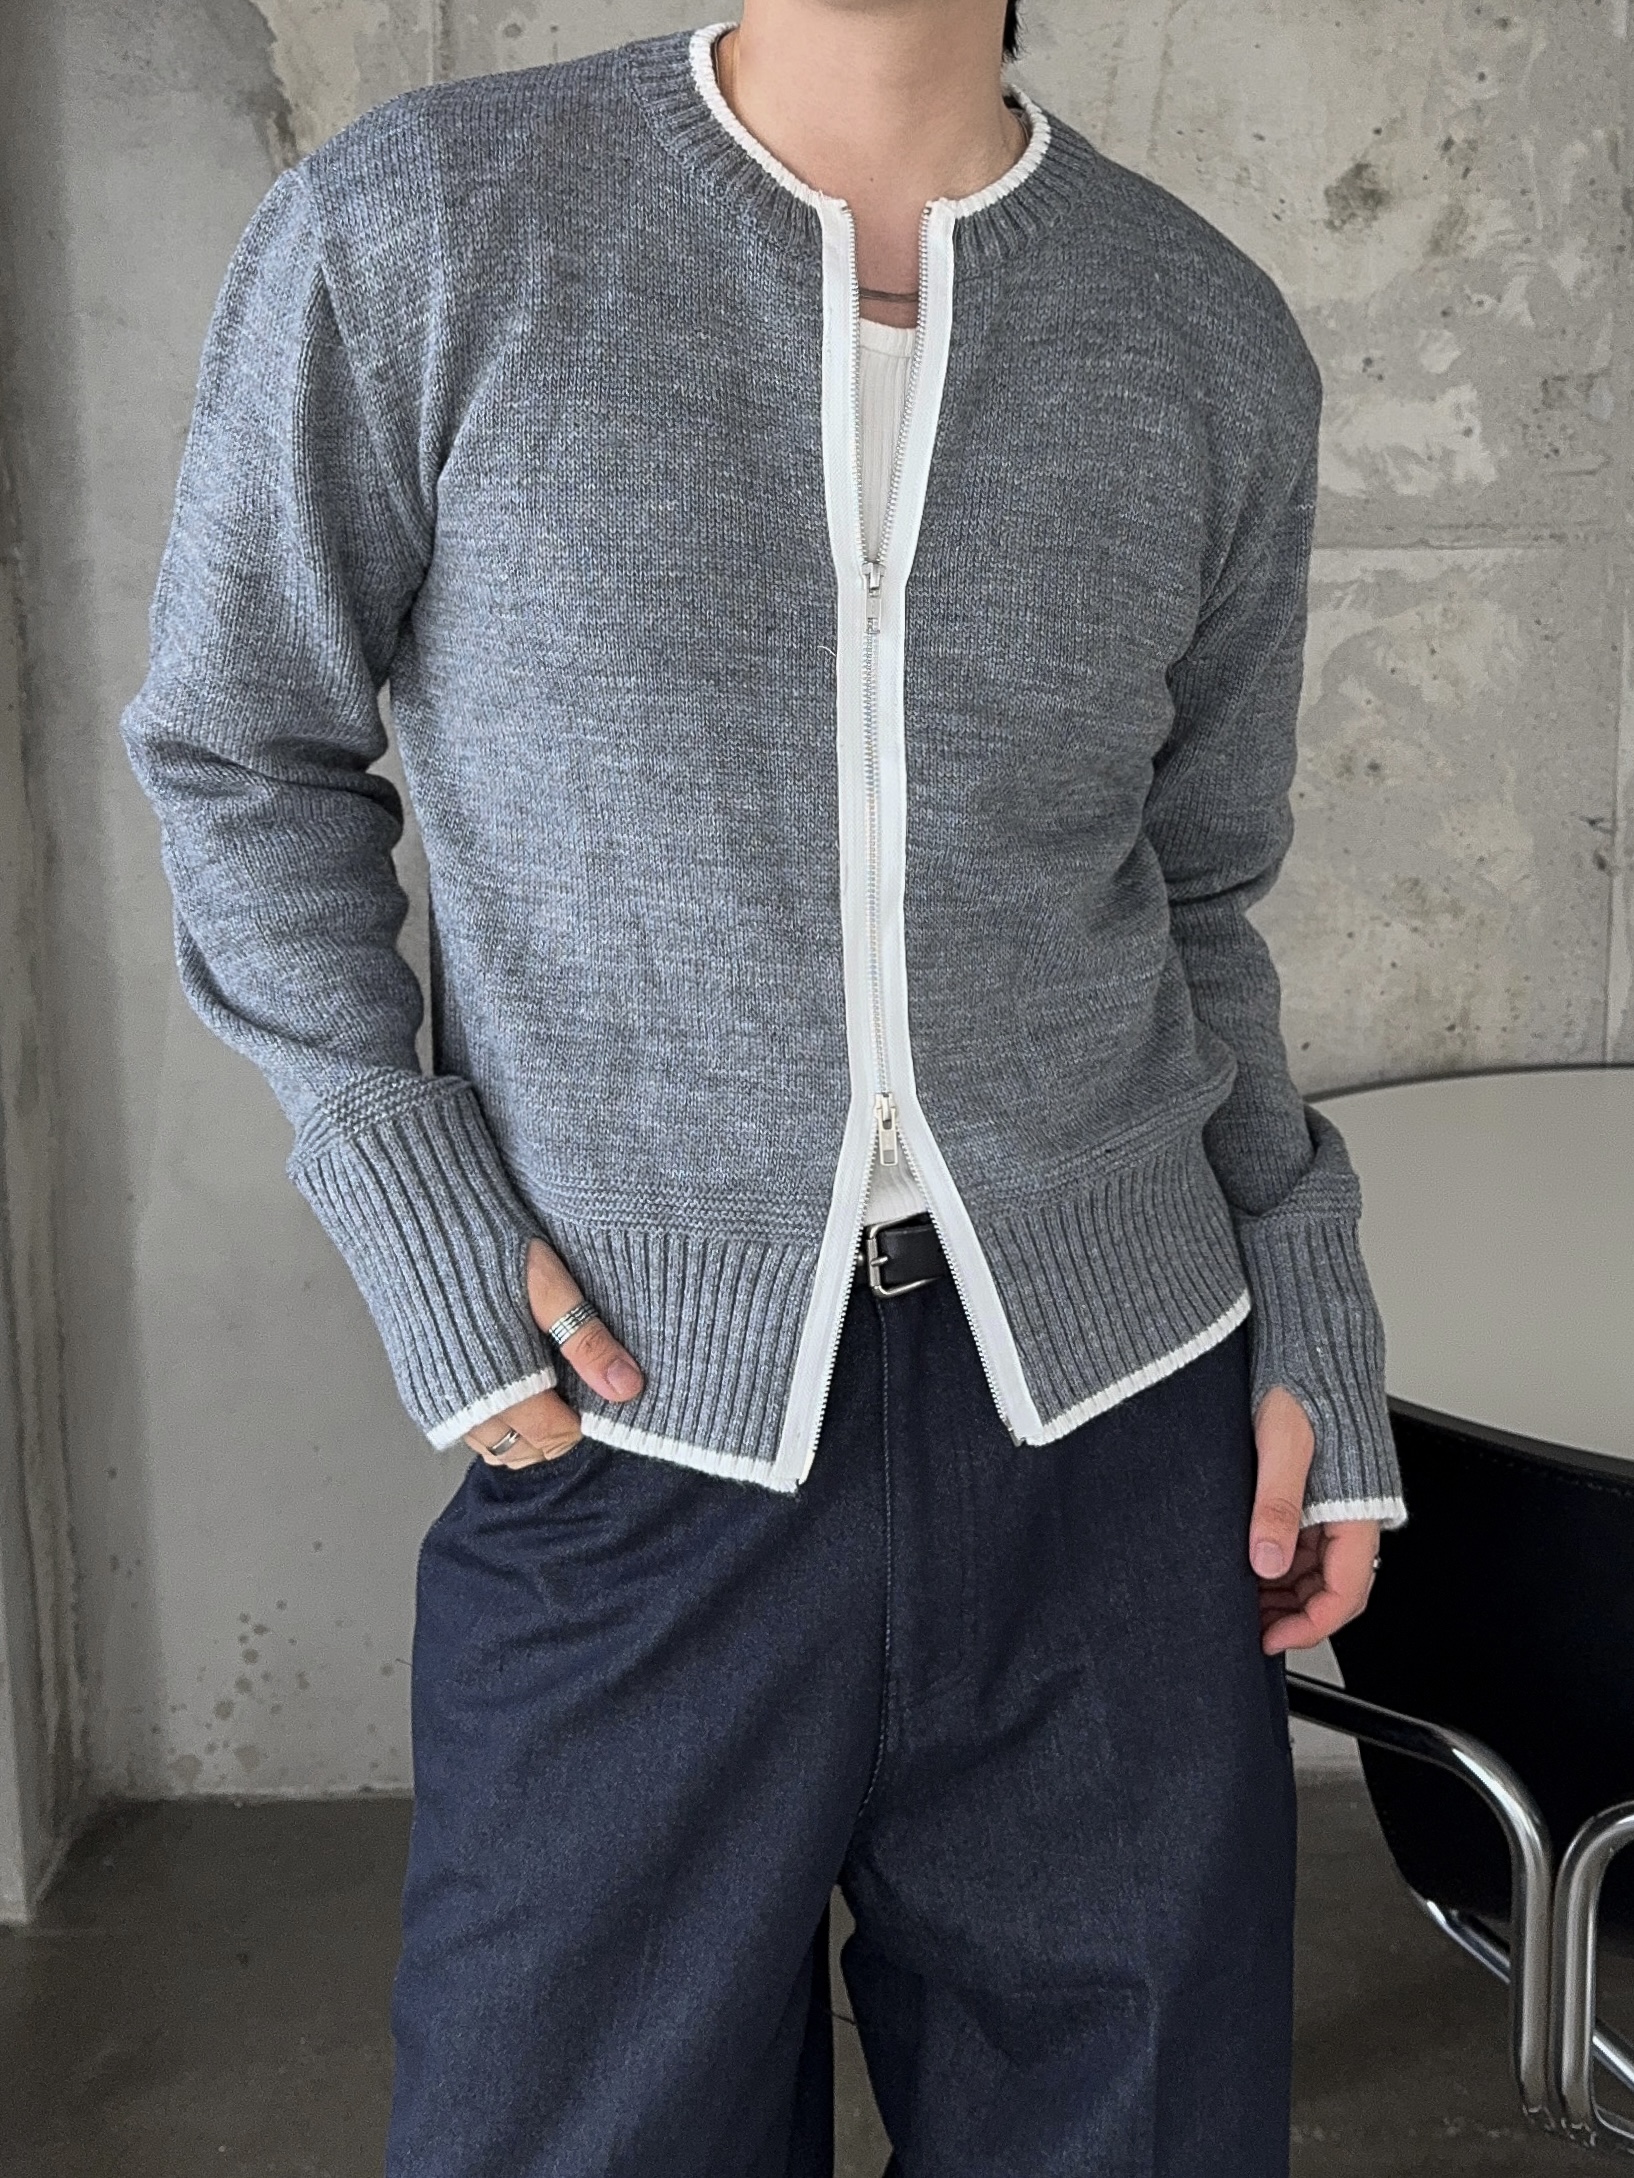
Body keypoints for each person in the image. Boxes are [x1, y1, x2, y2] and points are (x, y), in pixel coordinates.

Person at [121, 1, 1407, 2170]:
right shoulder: (421, 231)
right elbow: (239, 747)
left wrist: (1309, 1306)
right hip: (638, 1436)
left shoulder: (1199, 331)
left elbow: (1197, 894)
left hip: (1118, 1448)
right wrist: (400, 1174)